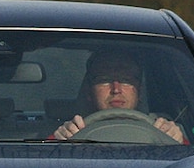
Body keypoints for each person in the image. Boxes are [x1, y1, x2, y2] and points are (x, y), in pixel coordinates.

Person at [52, 51, 187, 143]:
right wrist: (59, 142)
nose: (116, 89)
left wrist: (177, 140)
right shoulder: (73, 132)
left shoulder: (162, 130)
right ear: (89, 92)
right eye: (105, 80)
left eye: (126, 80)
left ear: (139, 91)